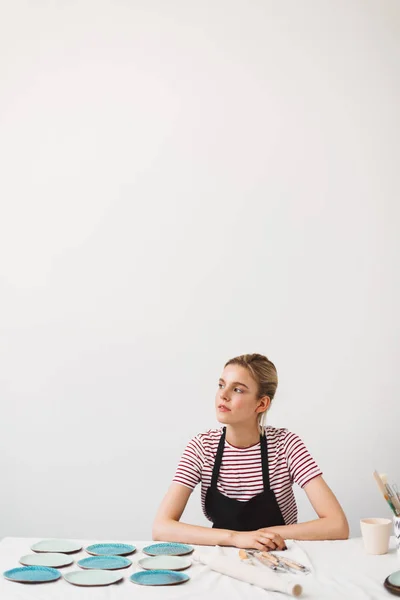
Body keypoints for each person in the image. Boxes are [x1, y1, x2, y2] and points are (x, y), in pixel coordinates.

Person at [153, 353, 349, 551]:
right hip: (224, 558)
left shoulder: (285, 445)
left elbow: (337, 525)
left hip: (280, 557)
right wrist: (237, 538)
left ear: (261, 404)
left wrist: (260, 538)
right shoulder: (202, 447)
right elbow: (161, 527)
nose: (224, 395)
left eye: (237, 389)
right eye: (221, 385)